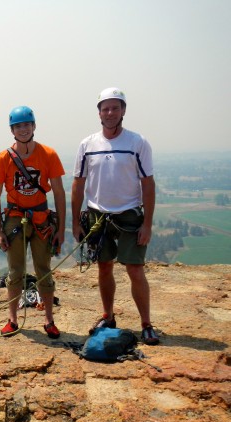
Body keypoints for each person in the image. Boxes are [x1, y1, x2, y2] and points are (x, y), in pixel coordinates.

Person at [71, 87, 159, 345]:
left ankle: (146, 323)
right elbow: (78, 183)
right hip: (98, 216)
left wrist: (147, 224)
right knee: (104, 266)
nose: (110, 113)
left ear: (123, 111)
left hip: (129, 215)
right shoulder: (87, 145)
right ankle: (108, 316)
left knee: (134, 269)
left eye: (115, 108)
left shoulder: (137, 143)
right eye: (105, 108)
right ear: (99, 112)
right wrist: (76, 222)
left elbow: (148, 183)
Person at [0, 106, 66, 339]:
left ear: (33, 126)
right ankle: (12, 319)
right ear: (12, 130)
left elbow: (60, 193)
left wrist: (61, 229)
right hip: (14, 220)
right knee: (15, 272)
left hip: (41, 218)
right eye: (18, 126)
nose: (23, 129)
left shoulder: (48, 155)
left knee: (43, 271)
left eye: (26, 125)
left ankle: (49, 320)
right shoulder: (3, 159)